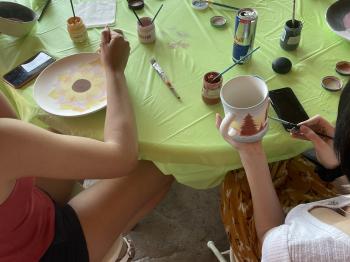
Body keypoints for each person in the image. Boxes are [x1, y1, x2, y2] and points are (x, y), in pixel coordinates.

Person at [0, 28, 173, 262]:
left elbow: (16, 135)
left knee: (57, 134)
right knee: (163, 163)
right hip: (49, 252)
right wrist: (114, 70)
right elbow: (121, 157)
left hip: (17, 221)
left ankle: (109, 229)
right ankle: (113, 245)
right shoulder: (6, 141)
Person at [217, 80, 350, 261]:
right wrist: (338, 166)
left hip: (271, 247)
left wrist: (251, 152)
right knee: (287, 164)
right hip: (324, 208)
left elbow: (269, 238)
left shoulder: (306, 249)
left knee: (235, 180)